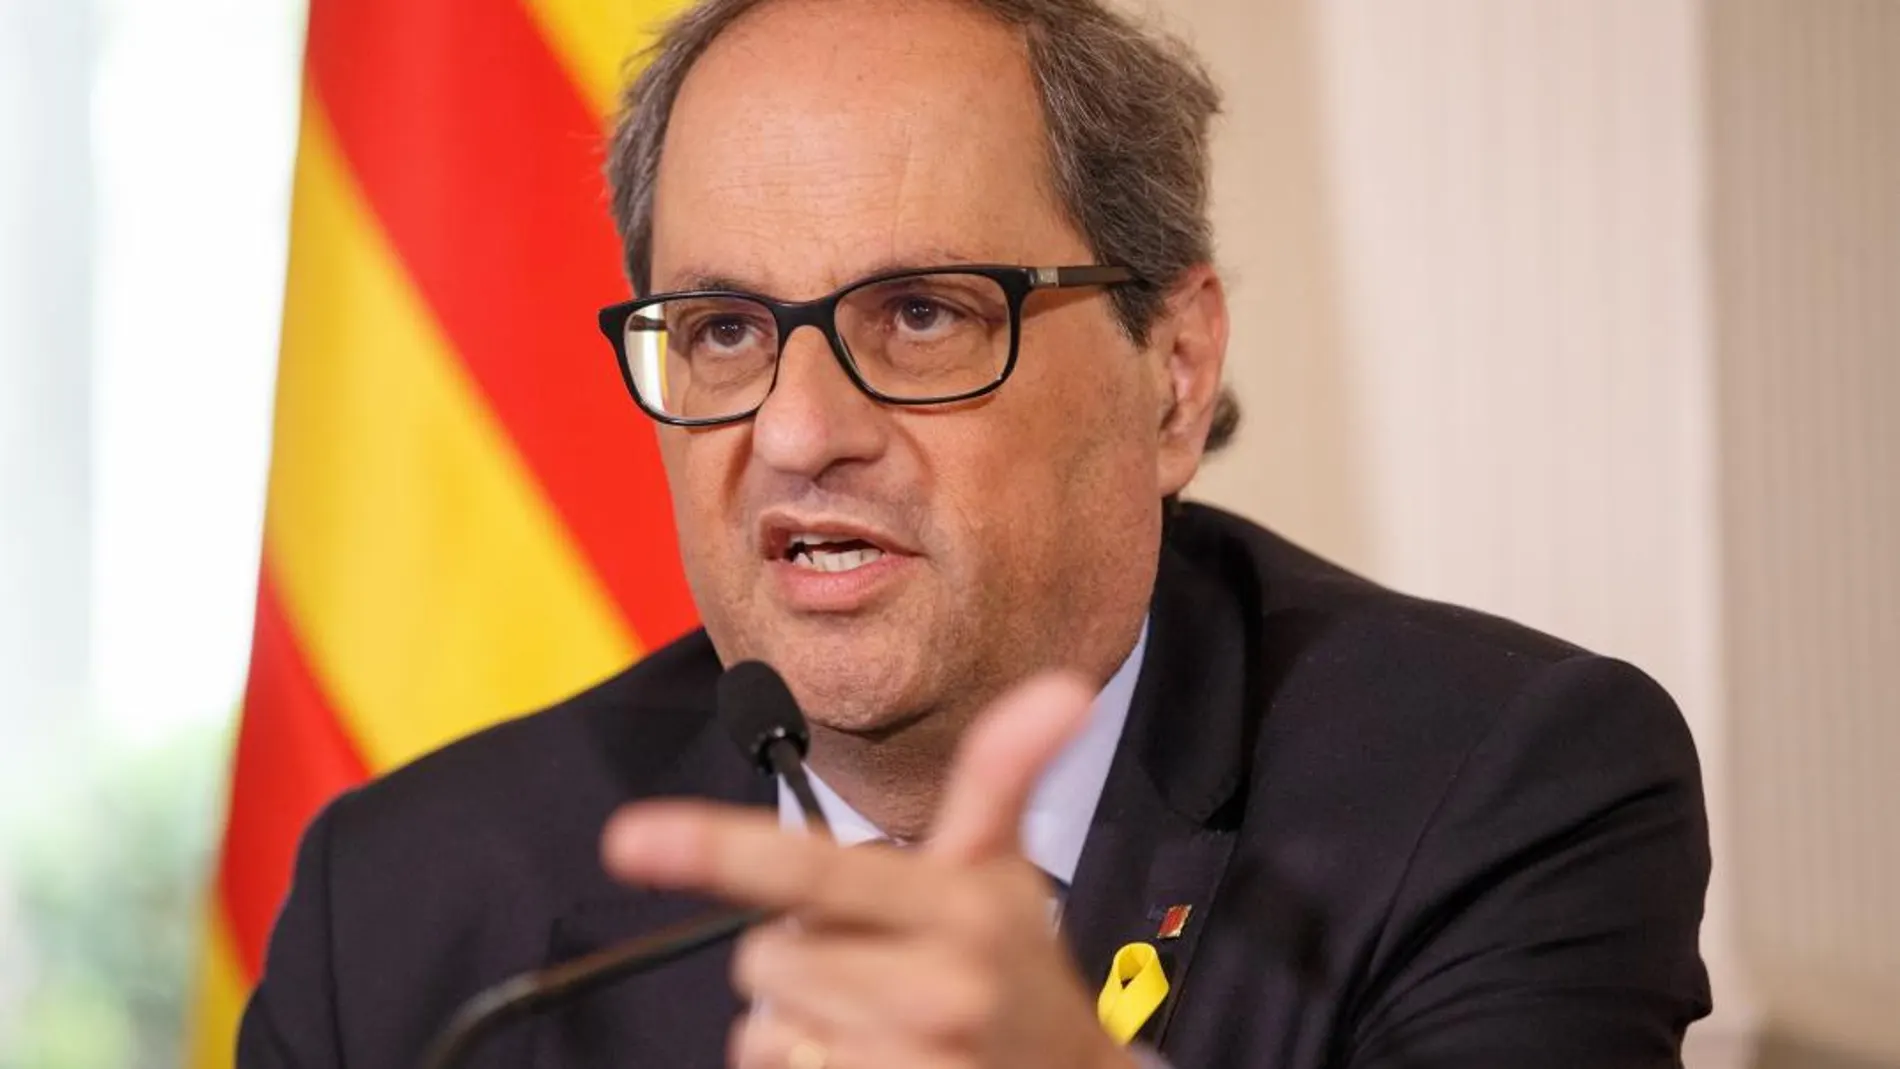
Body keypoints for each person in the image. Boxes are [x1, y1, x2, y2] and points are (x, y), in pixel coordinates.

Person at [238, 0, 1713, 1066]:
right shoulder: (404, 906)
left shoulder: (1498, 794)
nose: (802, 430)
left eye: (925, 314)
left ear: (1173, 372)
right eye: (728, 330)